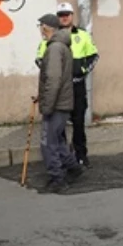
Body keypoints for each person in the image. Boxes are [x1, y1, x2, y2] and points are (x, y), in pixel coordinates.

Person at [35, 14, 84, 194]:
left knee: (48, 142)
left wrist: (47, 104)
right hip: (62, 102)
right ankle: (73, 168)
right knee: (58, 141)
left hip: (56, 104)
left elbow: (54, 79)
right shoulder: (62, 46)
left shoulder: (55, 48)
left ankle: (58, 179)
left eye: (41, 26)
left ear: (47, 27)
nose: (40, 30)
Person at [53, 3, 99, 168]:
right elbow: (40, 59)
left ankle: (81, 155)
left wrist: (83, 70)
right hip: (59, 88)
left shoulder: (82, 35)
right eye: (61, 14)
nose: (64, 17)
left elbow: (94, 56)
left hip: (77, 86)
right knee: (60, 125)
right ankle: (64, 157)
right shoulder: (52, 36)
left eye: (67, 14)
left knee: (78, 123)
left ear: (72, 15)